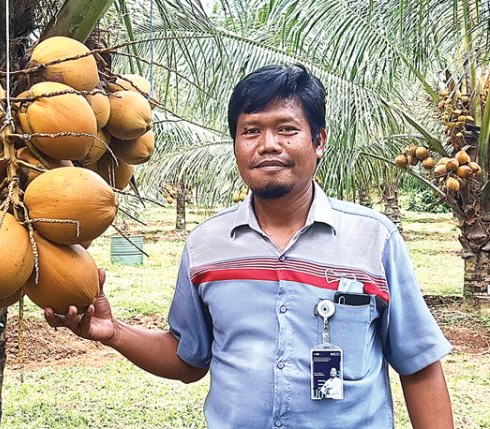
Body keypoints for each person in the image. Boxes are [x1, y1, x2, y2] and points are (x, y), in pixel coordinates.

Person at [44, 64, 454, 428]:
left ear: (319, 141)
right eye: (251, 131)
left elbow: (418, 367)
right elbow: (188, 359)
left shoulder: (372, 238)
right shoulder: (207, 245)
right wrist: (114, 332)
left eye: (287, 129)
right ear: (237, 145)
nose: (268, 144)